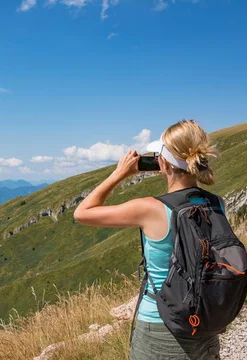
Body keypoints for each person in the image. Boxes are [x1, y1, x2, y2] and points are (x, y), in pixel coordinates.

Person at [73, 119, 222, 360]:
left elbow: (82, 213)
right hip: (205, 322)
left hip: (160, 327)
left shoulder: (151, 209)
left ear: (163, 162)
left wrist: (119, 174)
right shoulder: (216, 204)